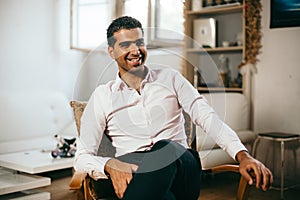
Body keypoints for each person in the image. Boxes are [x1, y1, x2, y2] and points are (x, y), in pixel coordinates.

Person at [74, 16, 273, 200]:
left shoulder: (171, 78)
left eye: (140, 43)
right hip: (135, 170)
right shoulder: (102, 95)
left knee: (165, 148)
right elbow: (82, 157)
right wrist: (110, 164)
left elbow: (207, 117)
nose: (136, 51)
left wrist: (242, 155)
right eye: (125, 45)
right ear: (111, 52)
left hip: (181, 166)